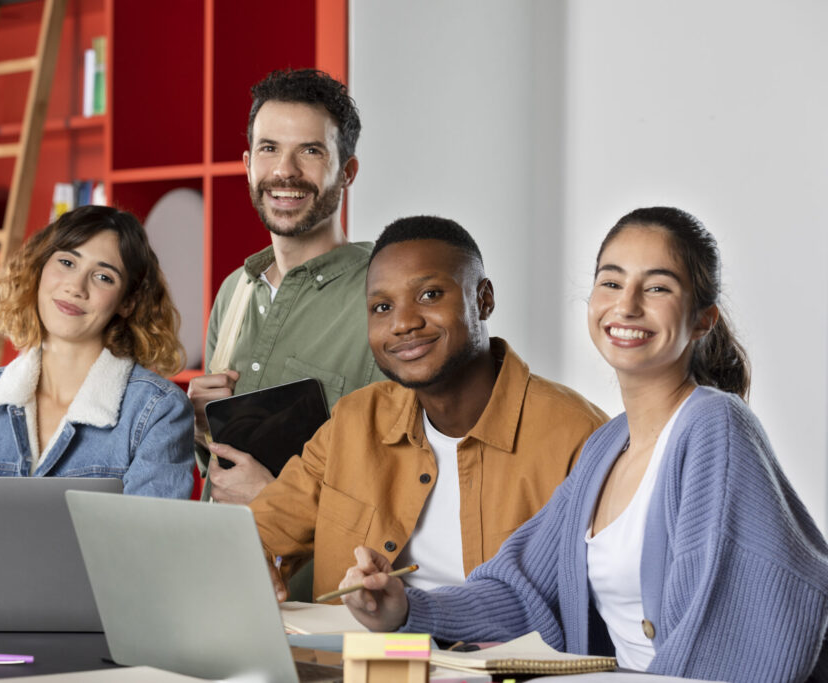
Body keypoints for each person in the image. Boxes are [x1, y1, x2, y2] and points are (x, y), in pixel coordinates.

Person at [340, 207, 828, 682]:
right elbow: (524, 590)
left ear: (702, 321)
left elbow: (733, 638)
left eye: (657, 287)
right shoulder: (608, 447)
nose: (627, 305)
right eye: (611, 283)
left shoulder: (713, 428)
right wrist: (404, 605)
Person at [250, 215, 608, 601]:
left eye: (430, 295)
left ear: (483, 299)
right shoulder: (354, 422)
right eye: (382, 307)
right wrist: (250, 562)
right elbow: (255, 533)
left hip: (500, 660)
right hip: (352, 659)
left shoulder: (579, 436)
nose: (403, 323)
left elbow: (602, 602)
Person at [187, 68, 385, 505]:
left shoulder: (383, 296)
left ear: (347, 171)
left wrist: (278, 502)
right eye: (269, 148)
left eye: (310, 151)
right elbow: (218, 472)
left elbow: (407, 481)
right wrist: (205, 427)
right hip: (222, 564)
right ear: (247, 163)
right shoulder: (234, 291)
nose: (284, 171)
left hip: (319, 575)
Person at [0, 205, 196, 499]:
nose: (76, 286)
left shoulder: (158, 412)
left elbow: (147, 540)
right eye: (67, 262)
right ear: (39, 269)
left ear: (128, 303)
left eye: (103, 277)